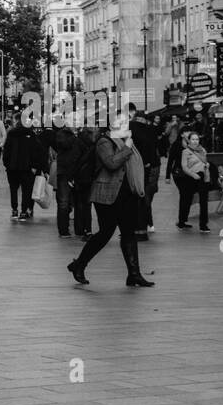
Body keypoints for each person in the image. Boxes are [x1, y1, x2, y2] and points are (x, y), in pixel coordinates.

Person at [66, 121, 153, 288]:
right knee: (105, 233)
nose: (124, 125)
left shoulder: (126, 140)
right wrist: (127, 148)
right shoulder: (104, 141)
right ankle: (80, 264)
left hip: (127, 194)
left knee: (129, 233)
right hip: (107, 194)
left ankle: (134, 274)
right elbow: (111, 164)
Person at [130, 106, 161, 237]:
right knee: (145, 198)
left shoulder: (129, 127)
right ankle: (144, 228)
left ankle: (131, 228)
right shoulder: (150, 130)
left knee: (133, 198)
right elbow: (154, 148)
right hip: (149, 167)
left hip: (133, 166)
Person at [3, 116, 41, 220]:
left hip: (12, 167)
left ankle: (14, 210)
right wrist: (34, 166)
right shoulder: (31, 134)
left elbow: (6, 151)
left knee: (13, 189)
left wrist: (6, 164)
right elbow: (35, 152)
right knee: (26, 190)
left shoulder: (11, 134)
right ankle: (24, 211)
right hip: (27, 168)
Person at [175, 129, 212, 233]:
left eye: (197, 139)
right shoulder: (185, 152)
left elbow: (205, 162)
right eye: (193, 139)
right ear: (189, 140)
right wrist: (193, 175)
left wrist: (207, 166)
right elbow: (184, 167)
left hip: (203, 177)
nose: (195, 141)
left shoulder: (203, 150)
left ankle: (203, 225)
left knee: (204, 202)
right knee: (186, 200)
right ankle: (181, 222)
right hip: (190, 178)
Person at [52, 120, 81, 238]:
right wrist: (75, 136)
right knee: (64, 202)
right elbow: (64, 145)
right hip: (64, 172)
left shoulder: (79, 135)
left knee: (79, 202)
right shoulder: (62, 134)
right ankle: (63, 230)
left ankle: (80, 229)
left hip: (78, 172)